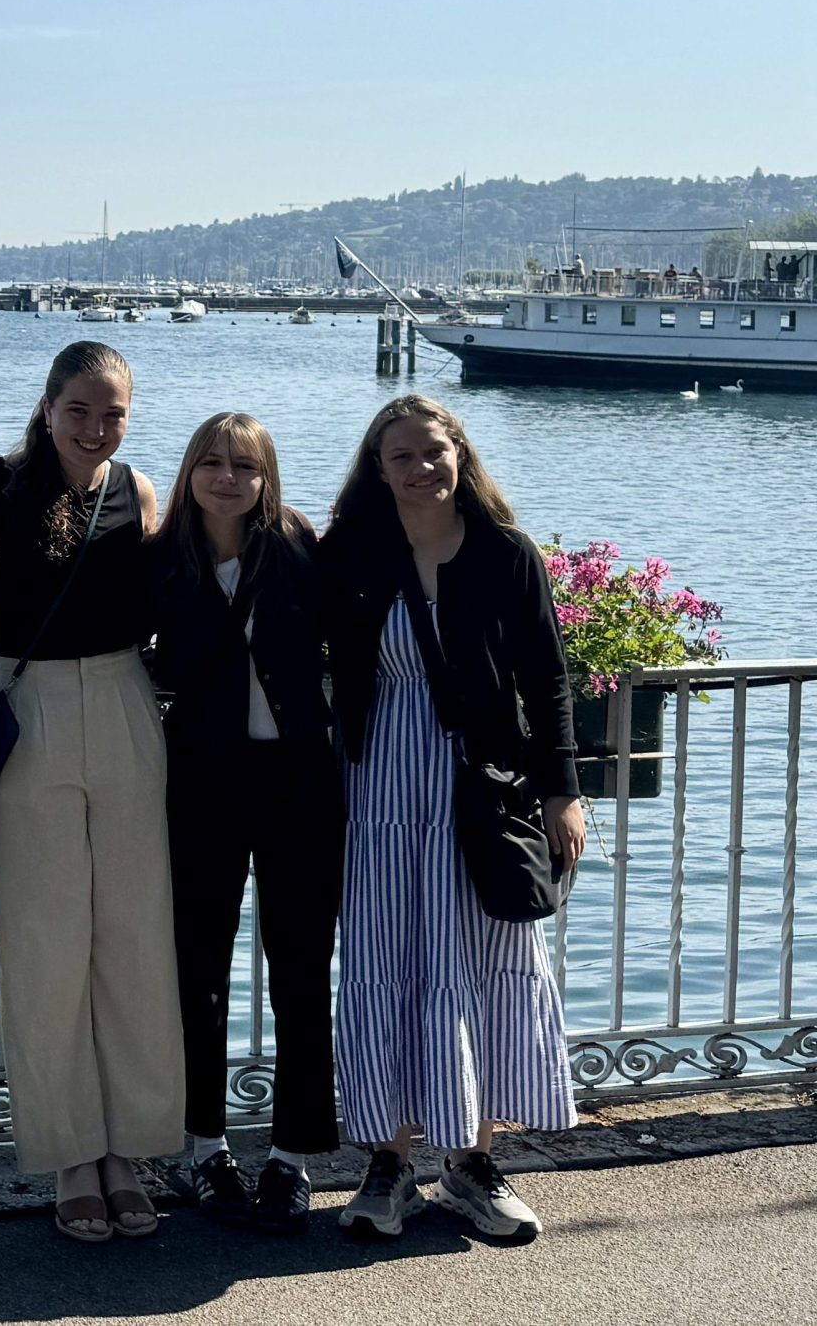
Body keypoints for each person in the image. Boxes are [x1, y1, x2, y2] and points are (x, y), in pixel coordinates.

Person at [320, 394, 584, 1243]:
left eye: (433, 451)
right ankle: (389, 1164)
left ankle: (472, 1161)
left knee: (478, 961)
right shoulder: (354, 551)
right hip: (379, 788)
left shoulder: (506, 553)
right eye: (401, 456)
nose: (420, 467)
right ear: (378, 468)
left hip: (479, 787)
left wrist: (562, 792)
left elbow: (546, 679)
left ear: (460, 454)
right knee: (385, 959)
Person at [0, 340, 182, 1242]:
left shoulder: (137, 490)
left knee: (136, 934)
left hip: (128, 697)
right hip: (34, 706)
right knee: (45, 938)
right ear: (49, 403)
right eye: (80, 409)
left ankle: (129, 1151)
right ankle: (68, 1154)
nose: (96, 427)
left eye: (114, 412)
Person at [147, 413, 339, 1235]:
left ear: (267, 477)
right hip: (202, 778)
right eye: (213, 462)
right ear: (190, 470)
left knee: (300, 970)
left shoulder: (297, 544)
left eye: (246, 465)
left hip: (299, 776)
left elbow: (353, 636)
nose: (228, 477)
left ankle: (293, 1157)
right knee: (200, 969)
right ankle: (205, 1146)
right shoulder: (162, 558)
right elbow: (112, 636)